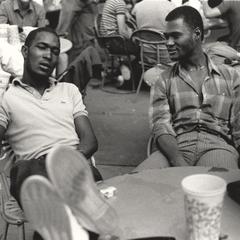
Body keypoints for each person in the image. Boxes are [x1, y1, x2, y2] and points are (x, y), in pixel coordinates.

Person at [0, 27, 104, 239]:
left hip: (72, 165)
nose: (49, 55)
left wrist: (63, 162)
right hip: (32, 171)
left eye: (55, 51)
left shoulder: (69, 90)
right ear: (25, 51)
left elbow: (90, 141)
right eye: (42, 47)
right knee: (27, 171)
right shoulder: (7, 98)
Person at [135, 6, 240, 172]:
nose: (168, 43)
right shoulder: (163, 79)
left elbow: (238, 129)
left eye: (175, 35)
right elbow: (160, 126)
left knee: (223, 187)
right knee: (136, 182)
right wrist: (179, 163)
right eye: (166, 37)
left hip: (217, 146)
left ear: (197, 34)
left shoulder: (231, 77)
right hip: (176, 147)